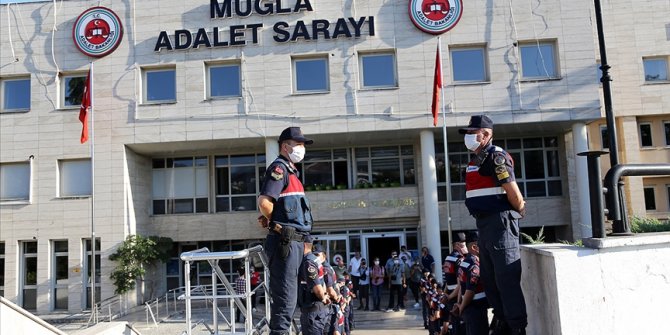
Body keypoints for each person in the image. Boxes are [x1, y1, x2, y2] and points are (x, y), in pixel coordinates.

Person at [459, 115, 527, 335]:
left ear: (486, 134)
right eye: (467, 133)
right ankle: (502, 321)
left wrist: (518, 210)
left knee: (506, 277)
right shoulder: (477, 158)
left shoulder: (495, 156)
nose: (469, 137)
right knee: (490, 279)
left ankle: (516, 327)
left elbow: (513, 193)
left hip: (500, 222)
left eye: (472, 132)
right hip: (485, 224)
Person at [257, 126, 315, 335]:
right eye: (298, 144)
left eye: (302, 144)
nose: (301, 148)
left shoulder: (293, 174)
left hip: (295, 244)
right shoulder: (279, 169)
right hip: (286, 243)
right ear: (285, 146)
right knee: (285, 303)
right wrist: (277, 223)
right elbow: (264, 202)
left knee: (292, 301)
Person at [452, 232, 488, 335]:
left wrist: (459, 303)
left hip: (469, 310)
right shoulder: (474, 265)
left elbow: (461, 286)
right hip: (475, 311)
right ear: (474, 247)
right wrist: (461, 307)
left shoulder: (464, 262)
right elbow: (469, 291)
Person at [299, 243, 331, 335]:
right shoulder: (317, 263)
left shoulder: (309, 262)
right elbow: (322, 283)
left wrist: (322, 297)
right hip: (319, 310)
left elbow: (318, 289)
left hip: (313, 311)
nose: (315, 255)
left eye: (317, 254)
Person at [443, 232, 468, 335]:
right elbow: (460, 284)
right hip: (455, 298)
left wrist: (445, 294)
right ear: (457, 244)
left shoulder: (448, 258)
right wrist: (453, 299)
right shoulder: (459, 260)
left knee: (454, 326)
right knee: (461, 328)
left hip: (449, 295)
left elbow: (447, 280)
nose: (465, 245)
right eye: (464, 243)